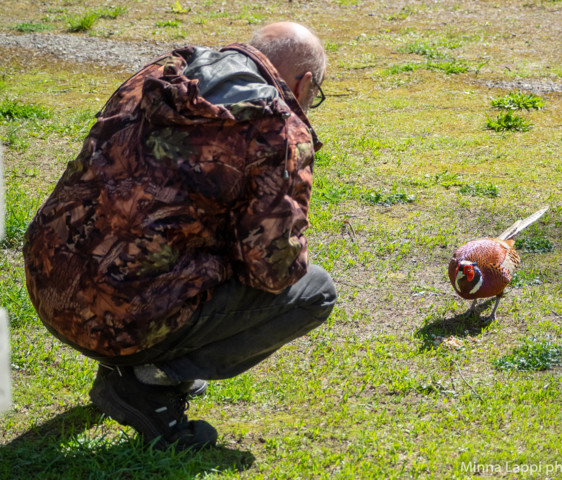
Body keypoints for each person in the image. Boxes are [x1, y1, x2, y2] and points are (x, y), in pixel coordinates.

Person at [22, 22, 336, 451]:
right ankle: (146, 384)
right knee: (315, 291)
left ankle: (134, 361)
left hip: (48, 281)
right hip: (116, 320)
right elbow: (274, 272)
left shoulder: (164, 71)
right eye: (314, 96)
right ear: (304, 83)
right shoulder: (276, 127)